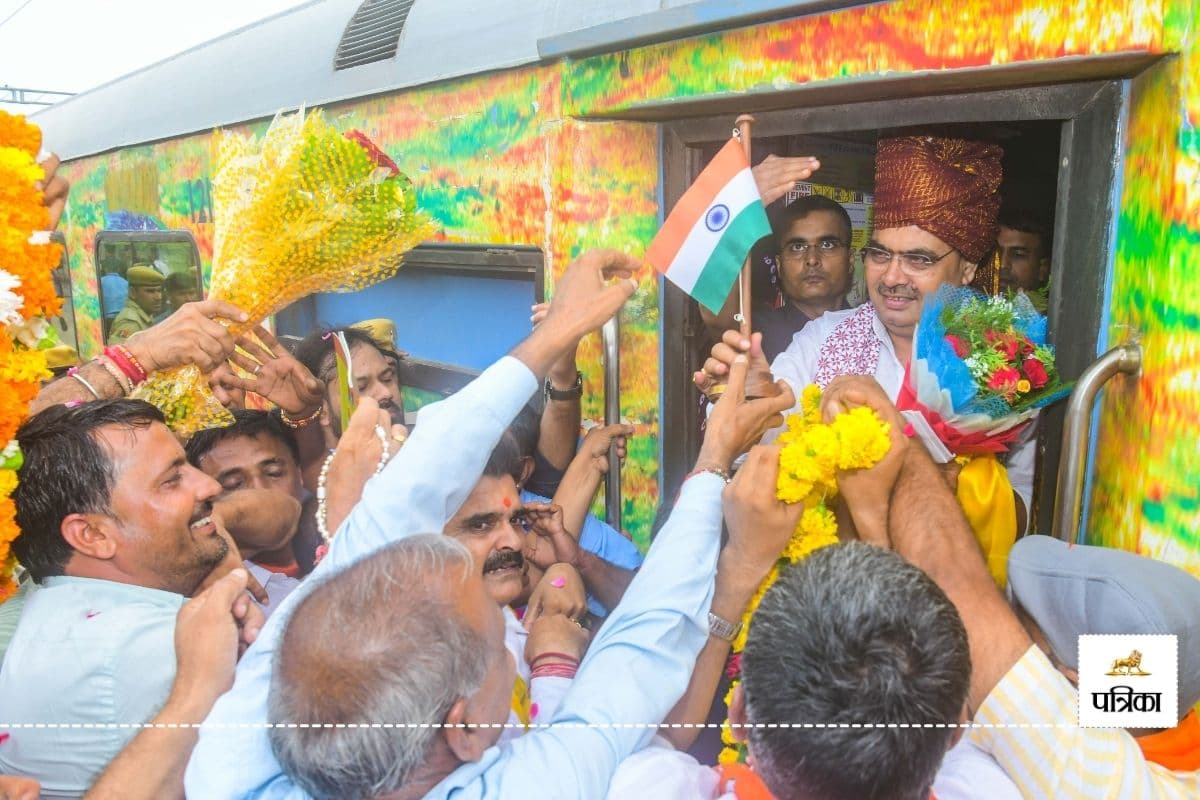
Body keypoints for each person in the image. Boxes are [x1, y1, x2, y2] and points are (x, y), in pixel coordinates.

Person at [183, 248, 795, 799]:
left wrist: (553, 337)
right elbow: (637, 655)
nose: (515, 640)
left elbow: (382, 525)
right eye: (500, 649)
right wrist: (714, 458)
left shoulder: (227, 772)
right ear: (469, 728)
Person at [823, 375, 1199, 798]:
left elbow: (958, 587)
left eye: (1021, 635)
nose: (1000, 632)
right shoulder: (1165, 718)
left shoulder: (1059, 781)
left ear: (1072, 683)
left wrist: (897, 440)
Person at [699, 135, 1036, 534]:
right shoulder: (822, 339)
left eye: (918, 259)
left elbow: (1024, 505)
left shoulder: (1003, 360)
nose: (892, 277)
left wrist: (949, 482)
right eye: (880, 254)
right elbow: (762, 450)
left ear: (965, 268)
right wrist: (750, 397)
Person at [0, 400, 264, 795]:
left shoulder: (48, 608)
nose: (209, 486)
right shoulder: (158, 645)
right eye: (171, 480)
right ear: (92, 535)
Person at [756, 195, 854, 362]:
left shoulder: (876, 331)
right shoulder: (757, 334)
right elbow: (716, 314)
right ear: (779, 265)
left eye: (827, 245)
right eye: (797, 247)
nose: (812, 259)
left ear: (850, 260)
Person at [996, 208, 1052, 309]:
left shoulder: (1054, 322)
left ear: (1043, 269)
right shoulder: (965, 313)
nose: (1003, 264)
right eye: (996, 253)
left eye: (1018, 254)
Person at [107, 265, 164, 343]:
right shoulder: (130, 323)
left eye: (159, 291)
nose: (158, 297)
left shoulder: (144, 315)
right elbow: (118, 354)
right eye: (150, 291)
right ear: (133, 293)